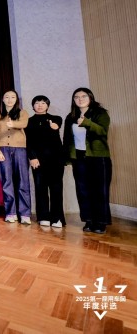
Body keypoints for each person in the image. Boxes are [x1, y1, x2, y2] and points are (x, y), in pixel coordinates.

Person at [63, 87, 111, 234]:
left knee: (100, 191)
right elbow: (67, 139)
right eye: (76, 97)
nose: (80, 99)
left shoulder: (100, 113)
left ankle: (100, 222)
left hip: (98, 157)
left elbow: (103, 131)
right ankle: (88, 220)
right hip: (79, 158)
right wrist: (67, 158)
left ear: (90, 98)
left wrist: (87, 123)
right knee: (83, 190)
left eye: (83, 96)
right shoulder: (71, 116)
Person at [0, 90, 31, 224]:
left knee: (23, 181)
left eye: (13, 97)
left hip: (20, 149)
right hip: (3, 149)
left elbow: (24, 123)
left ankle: (25, 214)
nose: (9, 99)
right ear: (2, 99)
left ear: (16, 100)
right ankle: (11, 212)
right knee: (7, 181)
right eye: (7, 97)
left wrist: (13, 124)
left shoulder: (22, 113)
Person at [25, 95, 65, 228]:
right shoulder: (29, 121)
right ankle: (43, 216)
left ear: (47, 105)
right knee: (40, 187)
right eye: (37, 103)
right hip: (37, 160)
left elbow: (57, 125)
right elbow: (28, 141)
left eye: (43, 103)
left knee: (56, 188)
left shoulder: (56, 118)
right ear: (33, 106)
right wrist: (32, 157)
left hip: (56, 159)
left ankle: (57, 218)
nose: (40, 105)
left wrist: (54, 126)